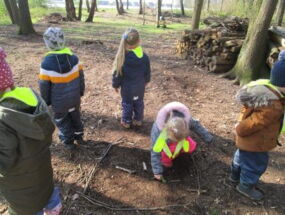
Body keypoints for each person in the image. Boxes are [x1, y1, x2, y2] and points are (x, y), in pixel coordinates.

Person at [0, 47, 61, 215]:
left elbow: (4, 163)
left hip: (21, 193)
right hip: (43, 175)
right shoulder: (31, 95)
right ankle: (54, 207)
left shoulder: (1, 120)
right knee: (48, 195)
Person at [230, 52, 285, 201]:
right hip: (256, 143)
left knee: (241, 158)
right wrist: (240, 129)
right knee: (255, 165)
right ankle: (245, 186)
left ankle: (234, 177)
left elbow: (246, 110)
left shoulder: (263, 92)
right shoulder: (274, 106)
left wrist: (240, 127)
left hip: (247, 141)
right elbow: (255, 121)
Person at [39, 27, 85, 150]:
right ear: (63, 40)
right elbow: (81, 78)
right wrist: (81, 91)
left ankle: (68, 141)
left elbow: (44, 86)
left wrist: (46, 101)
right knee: (76, 116)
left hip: (59, 103)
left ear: (47, 44)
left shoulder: (45, 64)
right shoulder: (75, 59)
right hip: (75, 98)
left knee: (62, 120)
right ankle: (79, 136)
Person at [150, 102, 214, 181]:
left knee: (189, 146)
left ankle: (181, 151)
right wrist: (157, 171)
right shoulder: (158, 132)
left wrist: (207, 137)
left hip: (179, 137)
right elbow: (155, 152)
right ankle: (166, 160)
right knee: (166, 154)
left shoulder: (186, 121)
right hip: (166, 143)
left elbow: (197, 126)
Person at [112, 28, 151, 128]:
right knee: (139, 102)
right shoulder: (144, 57)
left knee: (127, 104)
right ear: (139, 41)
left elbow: (117, 74)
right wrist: (146, 81)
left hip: (127, 89)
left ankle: (126, 121)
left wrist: (115, 85)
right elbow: (147, 71)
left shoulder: (122, 57)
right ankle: (138, 119)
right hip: (139, 87)